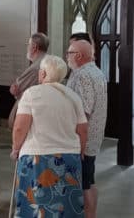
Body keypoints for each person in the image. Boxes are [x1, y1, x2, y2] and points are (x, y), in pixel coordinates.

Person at [11, 55, 88, 217]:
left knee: (36, 205)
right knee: (67, 207)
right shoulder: (73, 96)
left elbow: (19, 128)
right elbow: (83, 130)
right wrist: (80, 151)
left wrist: (16, 148)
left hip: (37, 158)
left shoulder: (31, 94)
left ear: (44, 74)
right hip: (69, 159)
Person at [66, 40, 107, 218]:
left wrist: (78, 140)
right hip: (92, 137)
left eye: (69, 53)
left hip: (83, 139)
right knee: (89, 180)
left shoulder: (82, 75)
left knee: (84, 184)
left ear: (79, 56)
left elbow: (83, 111)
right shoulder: (96, 71)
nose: (66, 56)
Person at [8, 33, 49, 128]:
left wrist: (14, 88)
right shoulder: (47, 61)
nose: (27, 48)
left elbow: (16, 88)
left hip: (29, 113)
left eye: (28, 45)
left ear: (34, 47)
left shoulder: (36, 67)